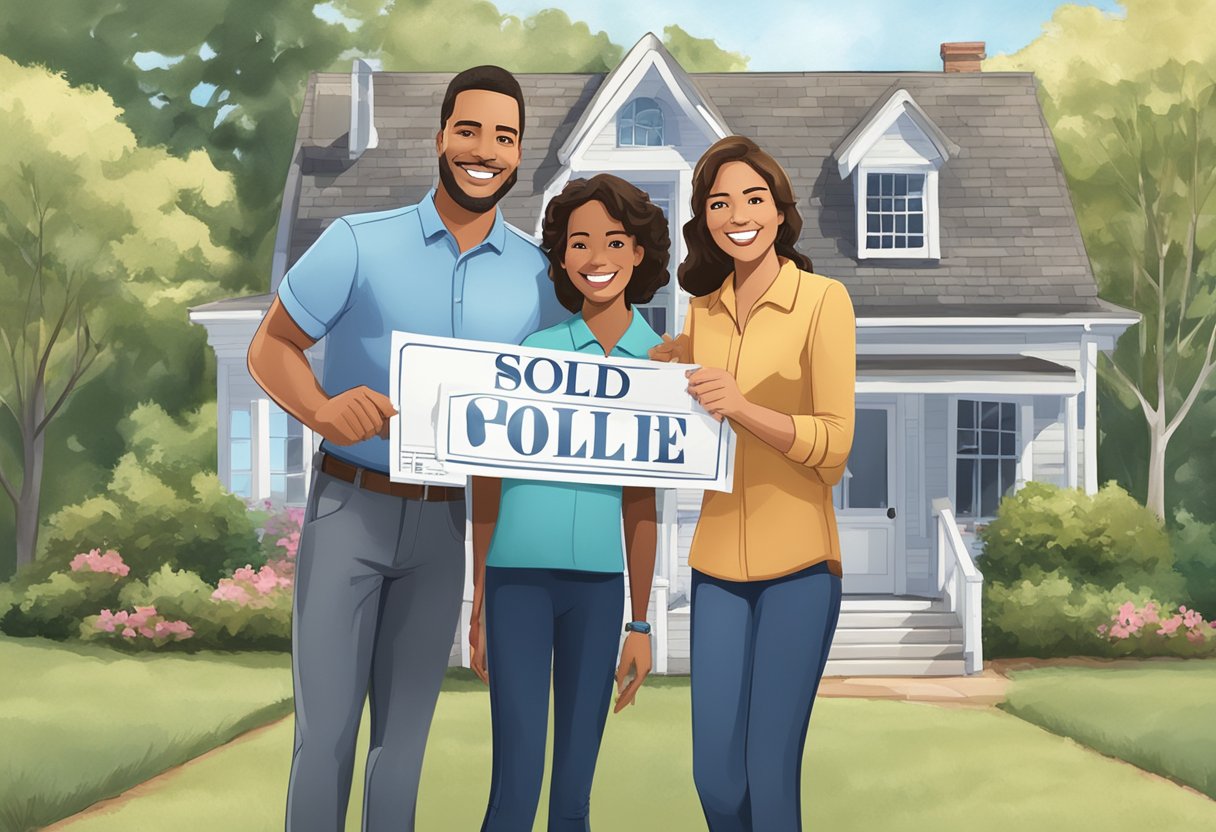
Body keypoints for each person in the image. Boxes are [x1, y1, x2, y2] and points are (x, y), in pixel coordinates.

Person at [246, 66, 566, 832]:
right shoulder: (359, 241)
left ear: (519, 155)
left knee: (404, 746)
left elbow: (524, 439)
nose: (484, 149)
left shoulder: (538, 280)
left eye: (504, 137)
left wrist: (490, 582)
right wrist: (322, 409)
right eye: (469, 130)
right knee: (325, 736)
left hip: (445, 527)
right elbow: (270, 347)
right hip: (349, 509)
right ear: (440, 137)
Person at [650, 135, 856, 831]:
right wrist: (665, 370)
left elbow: (833, 445)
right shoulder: (702, 312)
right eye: (719, 201)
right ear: (704, 218)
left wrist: (742, 407)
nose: (737, 213)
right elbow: (693, 408)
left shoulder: (824, 301)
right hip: (715, 566)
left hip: (798, 566)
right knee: (716, 779)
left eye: (753, 198)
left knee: (769, 781)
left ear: (779, 211)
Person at [471, 174, 669, 831]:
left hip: (599, 592)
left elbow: (643, 505)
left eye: (614, 241)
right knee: (515, 781)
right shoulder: (533, 355)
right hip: (516, 584)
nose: (596, 257)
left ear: (639, 252)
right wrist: (478, 599)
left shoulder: (665, 367)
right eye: (579, 243)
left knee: (574, 793)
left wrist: (640, 624)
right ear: (561, 258)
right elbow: (489, 477)